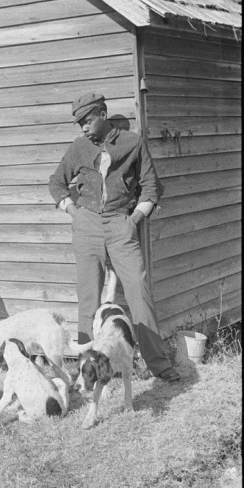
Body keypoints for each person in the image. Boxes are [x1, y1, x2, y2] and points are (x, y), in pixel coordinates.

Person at [48, 91, 180, 382]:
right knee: (88, 299)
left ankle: (158, 365)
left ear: (103, 115)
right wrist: (73, 211)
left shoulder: (133, 143)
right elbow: (57, 182)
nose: (83, 126)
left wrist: (132, 220)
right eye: (79, 122)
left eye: (87, 120)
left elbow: (151, 187)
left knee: (139, 291)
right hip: (87, 225)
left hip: (121, 223)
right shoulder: (79, 147)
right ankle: (87, 367)